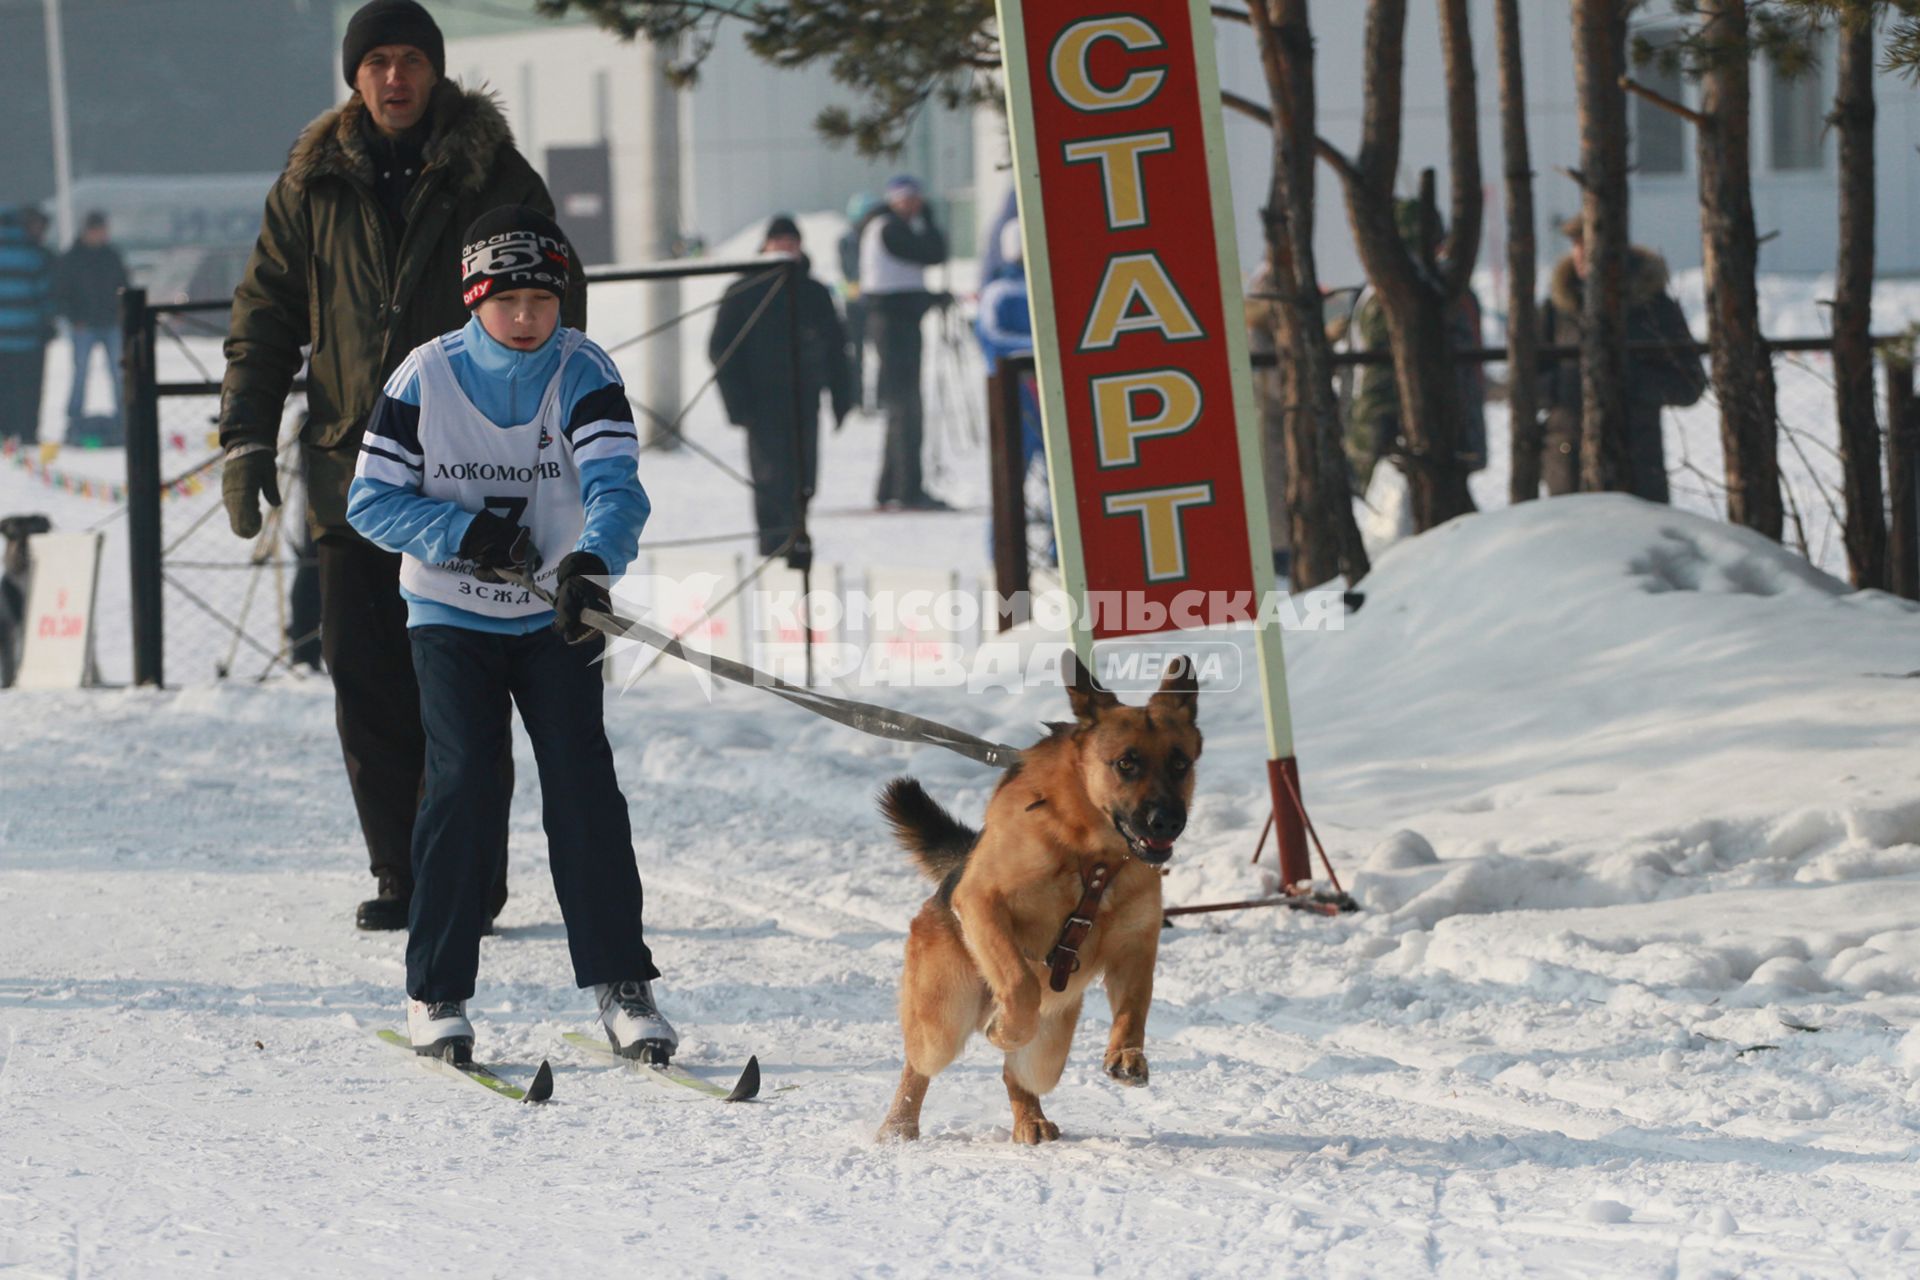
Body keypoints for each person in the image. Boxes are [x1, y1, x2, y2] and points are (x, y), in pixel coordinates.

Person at [218, 0, 585, 931]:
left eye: (410, 60)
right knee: (368, 683)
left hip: (476, 482)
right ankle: (403, 874)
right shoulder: (313, 183)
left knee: (462, 690)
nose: (394, 78)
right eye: (376, 61)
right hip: (355, 479)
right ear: (354, 76)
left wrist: (562, 442)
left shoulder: (496, 177)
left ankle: (468, 878)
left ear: (437, 71)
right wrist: (247, 437)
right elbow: (265, 314)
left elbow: (553, 310)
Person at [346, 204, 671, 1063]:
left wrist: (592, 562)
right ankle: (437, 988)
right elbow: (369, 502)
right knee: (464, 785)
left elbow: (615, 485)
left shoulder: (583, 368)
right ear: (474, 299)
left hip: (556, 611)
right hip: (449, 612)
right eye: (509, 302)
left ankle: (620, 981)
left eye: (543, 300)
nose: (527, 318)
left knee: (582, 783)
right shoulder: (426, 376)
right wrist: (462, 534)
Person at [709, 214, 852, 567]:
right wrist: (736, 403)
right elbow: (721, 350)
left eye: (792, 241)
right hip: (761, 403)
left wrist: (842, 396)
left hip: (804, 399)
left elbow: (836, 347)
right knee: (771, 479)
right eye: (779, 242)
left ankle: (798, 543)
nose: (786, 248)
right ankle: (772, 549)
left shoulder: (815, 292)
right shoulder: (743, 291)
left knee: (804, 479)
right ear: (765, 246)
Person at [1537, 215, 1706, 501]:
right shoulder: (1556, 310)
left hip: (1637, 460)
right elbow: (1526, 382)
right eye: (1576, 244)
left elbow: (1689, 385)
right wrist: (1564, 387)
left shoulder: (1653, 307)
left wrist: (1629, 380)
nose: (1580, 253)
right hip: (1568, 459)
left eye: (1588, 244)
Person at [1347, 201, 1488, 490]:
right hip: (1422, 450)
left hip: (1421, 450)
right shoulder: (1402, 295)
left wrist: (1364, 452)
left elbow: (1378, 386)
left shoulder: (1412, 293)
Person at [860, 174, 949, 511]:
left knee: (904, 407)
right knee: (906, 407)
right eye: (909, 200)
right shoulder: (889, 228)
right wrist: (928, 222)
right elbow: (931, 253)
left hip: (901, 321)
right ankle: (907, 487)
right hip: (893, 324)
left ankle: (892, 486)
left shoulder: (893, 227)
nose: (915, 206)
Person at [54, 211, 129, 440]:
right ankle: (74, 418)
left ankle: (124, 416)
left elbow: (124, 286)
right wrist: (74, 318)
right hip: (83, 325)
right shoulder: (72, 258)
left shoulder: (112, 256)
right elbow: (62, 292)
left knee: (117, 372)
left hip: (111, 324)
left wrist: (120, 315)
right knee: (80, 372)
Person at [0, 206, 54, 446]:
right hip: (29, 335)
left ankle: (4, 431)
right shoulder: (33, 253)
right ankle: (28, 432)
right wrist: (47, 323)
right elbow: (45, 294)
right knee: (29, 388)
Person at [836, 194, 877, 413]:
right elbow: (847, 273)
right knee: (856, 354)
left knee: (879, 354)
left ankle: (881, 397)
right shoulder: (846, 241)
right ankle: (856, 398)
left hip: (874, 304)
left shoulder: (876, 237)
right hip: (854, 304)